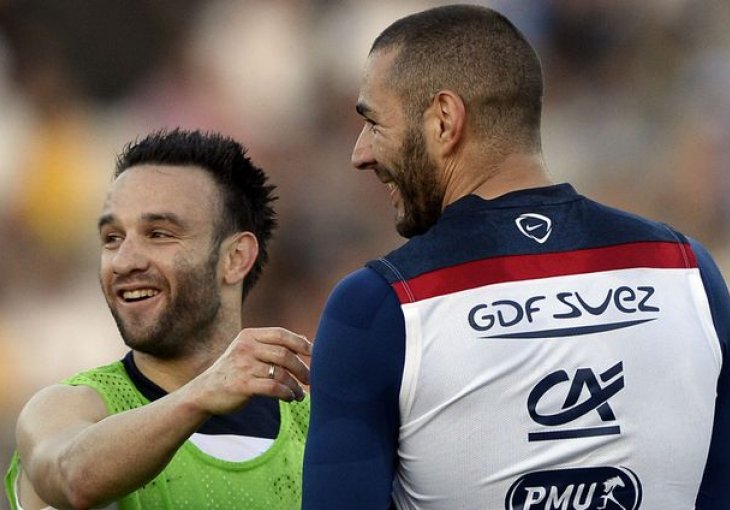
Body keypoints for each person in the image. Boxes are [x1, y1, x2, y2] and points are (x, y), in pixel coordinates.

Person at [302, 5, 730, 510]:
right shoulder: (688, 274)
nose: (361, 154)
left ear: (444, 120)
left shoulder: (379, 307)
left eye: (374, 123)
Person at [5, 129, 312, 510]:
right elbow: (73, 479)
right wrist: (200, 394)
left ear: (235, 258)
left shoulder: (315, 428)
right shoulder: (66, 409)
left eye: (159, 234)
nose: (124, 261)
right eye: (112, 238)